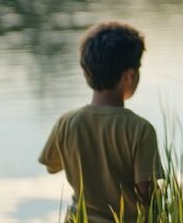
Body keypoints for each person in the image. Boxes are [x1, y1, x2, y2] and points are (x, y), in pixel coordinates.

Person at [39, 21, 164, 222]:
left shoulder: (67, 122)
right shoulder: (140, 129)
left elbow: (52, 165)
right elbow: (145, 192)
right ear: (130, 76)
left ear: (86, 72)